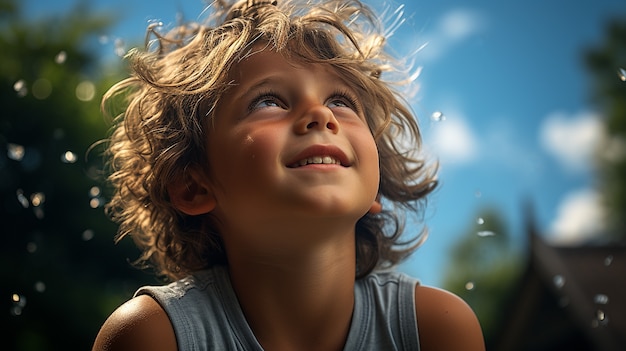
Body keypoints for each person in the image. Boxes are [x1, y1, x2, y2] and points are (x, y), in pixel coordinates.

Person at [92, 0, 485, 350]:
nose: (321, 114)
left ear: (376, 184)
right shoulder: (153, 336)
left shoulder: (433, 329)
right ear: (194, 185)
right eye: (269, 101)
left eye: (340, 101)